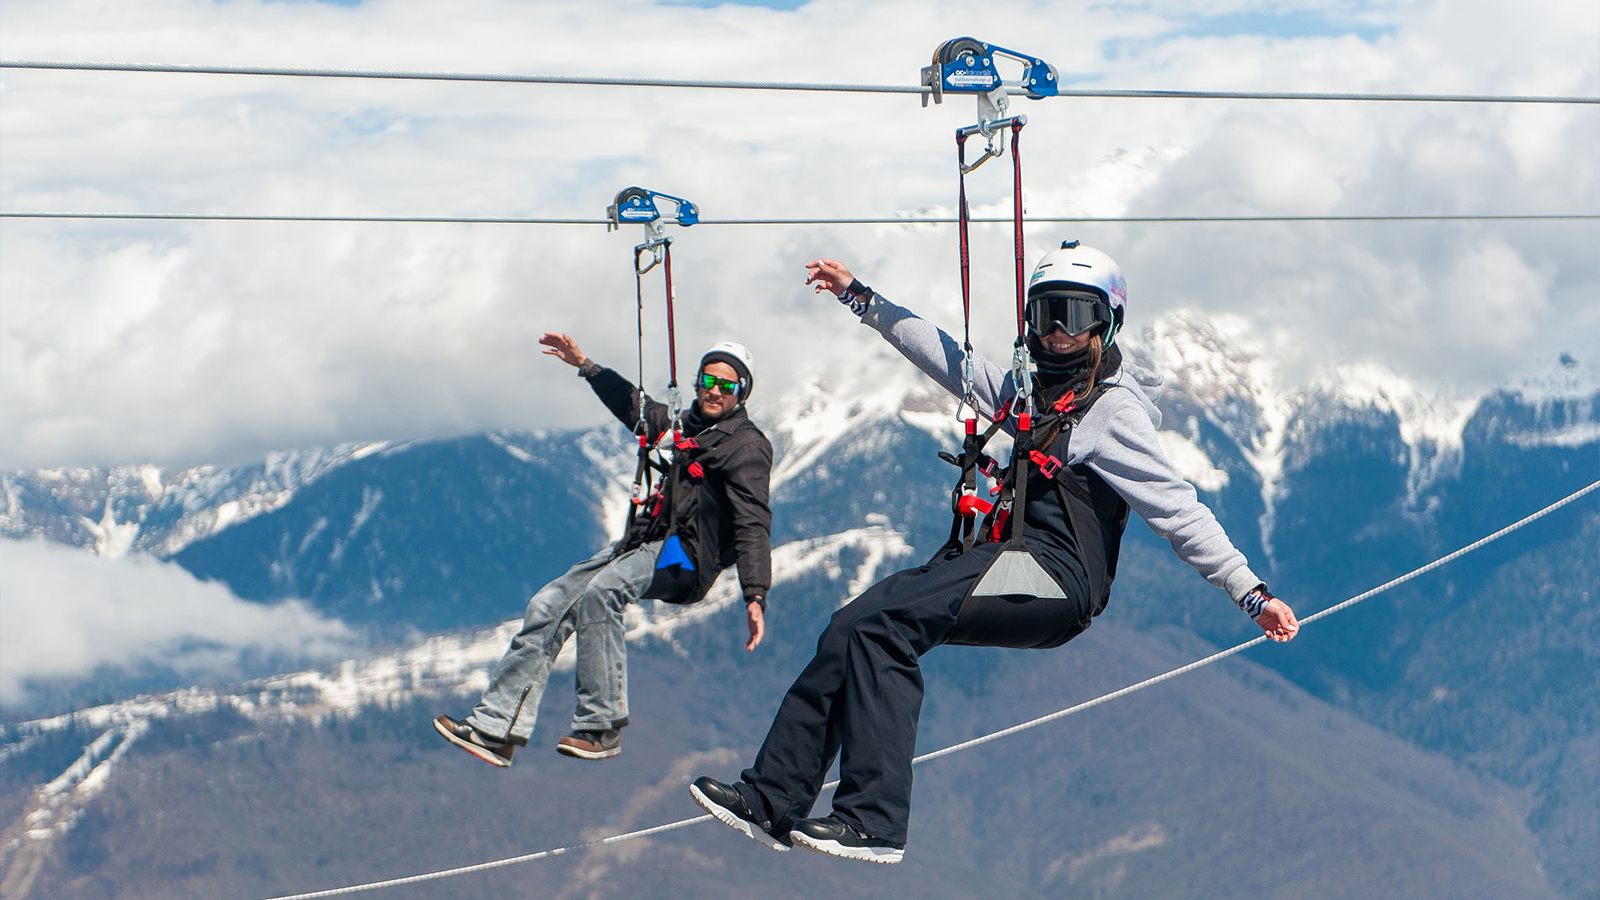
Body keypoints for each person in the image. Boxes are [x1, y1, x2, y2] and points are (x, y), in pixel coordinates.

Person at [690, 241, 1299, 864]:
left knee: (885, 626)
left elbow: (1178, 509)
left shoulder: (1113, 411)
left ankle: (873, 820)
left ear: (1107, 322)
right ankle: (770, 801)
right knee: (849, 626)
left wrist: (1249, 592)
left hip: (1056, 580)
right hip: (1008, 561)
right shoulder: (1028, 394)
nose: (1059, 333)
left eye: (1076, 316)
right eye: (1045, 315)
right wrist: (860, 297)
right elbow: (946, 359)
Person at [435, 334, 774, 766]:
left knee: (603, 591)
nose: (714, 390)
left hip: (686, 558)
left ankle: (602, 726)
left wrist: (755, 594)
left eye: (727, 385)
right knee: (550, 602)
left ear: (741, 393)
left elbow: (752, 521)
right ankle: (495, 728)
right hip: (644, 543)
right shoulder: (680, 425)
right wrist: (585, 364)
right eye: (708, 379)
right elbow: (633, 406)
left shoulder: (746, 445)